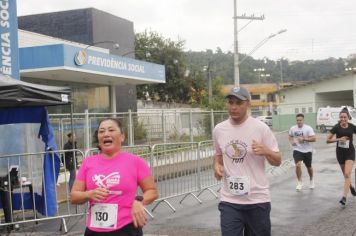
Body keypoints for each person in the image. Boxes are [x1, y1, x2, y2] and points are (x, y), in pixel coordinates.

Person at [70, 118, 158, 236]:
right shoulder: (88, 163)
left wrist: (139, 202)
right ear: (98, 138)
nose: (106, 134)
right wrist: (89, 194)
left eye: (111, 130)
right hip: (94, 231)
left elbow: (152, 191)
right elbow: (74, 196)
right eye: (101, 131)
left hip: (127, 228)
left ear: (122, 137)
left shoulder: (136, 162)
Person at [213, 86, 281, 236]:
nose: (233, 107)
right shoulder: (219, 129)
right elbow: (218, 155)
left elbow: (278, 160)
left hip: (257, 200)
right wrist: (217, 165)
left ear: (248, 104)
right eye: (230, 103)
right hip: (230, 200)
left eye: (238, 103)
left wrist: (267, 151)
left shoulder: (261, 129)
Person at [326, 108, 356, 206]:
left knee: (347, 173)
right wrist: (339, 139)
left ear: (348, 118)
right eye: (341, 117)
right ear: (339, 118)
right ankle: (351, 187)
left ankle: (344, 197)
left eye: (345, 117)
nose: (343, 119)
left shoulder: (352, 127)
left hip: (350, 153)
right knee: (345, 175)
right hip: (340, 154)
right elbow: (327, 140)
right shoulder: (336, 127)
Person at [288, 113, 316, 191]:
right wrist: (291, 141)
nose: (299, 122)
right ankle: (300, 182)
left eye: (300, 120)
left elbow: (314, 139)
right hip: (297, 150)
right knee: (298, 165)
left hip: (307, 151)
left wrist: (304, 139)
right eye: (297, 120)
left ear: (303, 120)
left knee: (309, 167)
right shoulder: (293, 128)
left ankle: (311, 180)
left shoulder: (308, 128)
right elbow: (290, 136)